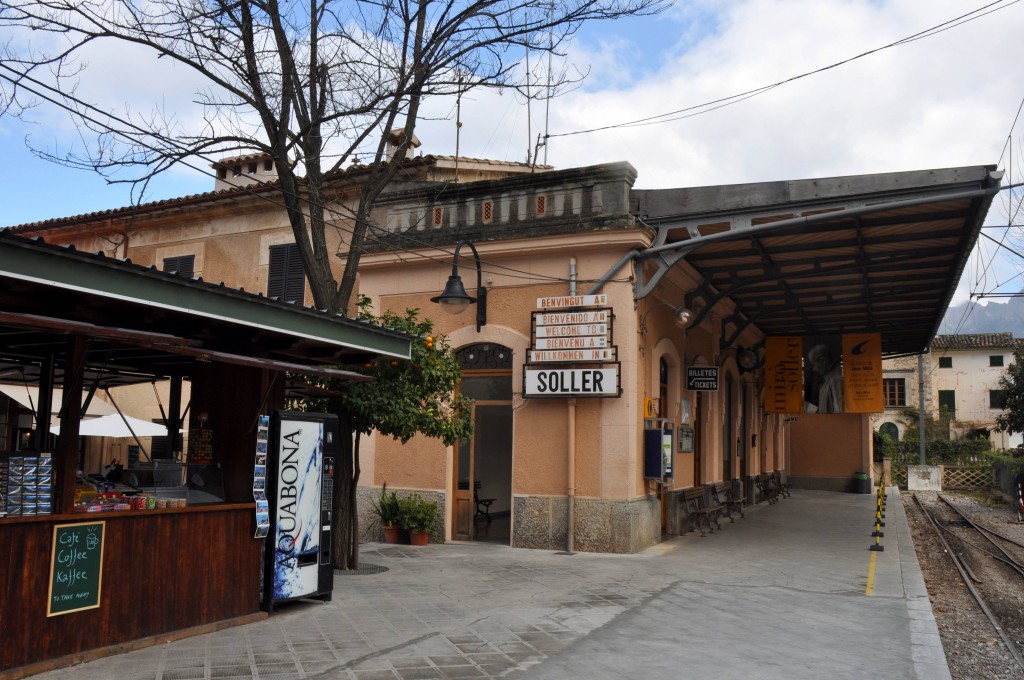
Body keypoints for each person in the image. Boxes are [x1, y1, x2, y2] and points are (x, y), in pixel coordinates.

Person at [805, 344, 843, 414]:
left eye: (814, 365)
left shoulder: (835, 378)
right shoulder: (827, 377)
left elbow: (839, 411)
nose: (814, 369)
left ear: (823, 361)